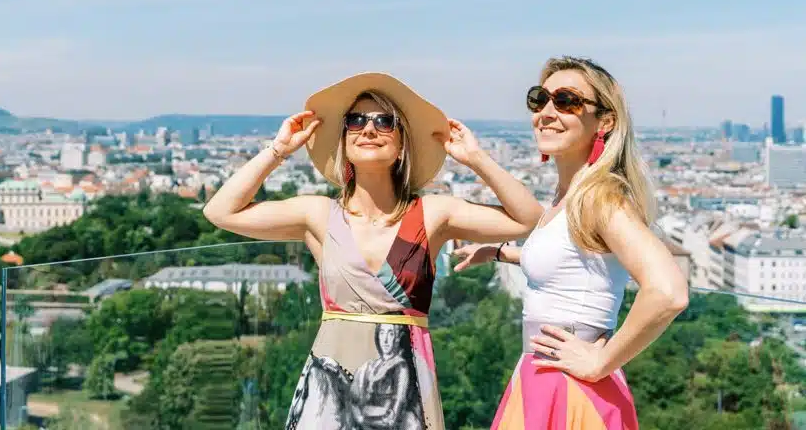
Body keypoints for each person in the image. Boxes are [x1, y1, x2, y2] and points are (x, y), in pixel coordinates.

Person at [203, 72, 540, 429]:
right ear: (344, 139)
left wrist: (476, 159)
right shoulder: (319, 214)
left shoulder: (432, 213)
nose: (368, 128)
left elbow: (527, 219)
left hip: (403, 389)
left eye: (385, 121)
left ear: (402, 144)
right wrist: (278, 151)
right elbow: (219, 211)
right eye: (356, 120)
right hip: (330, 389)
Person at [452, 56, 689, 429]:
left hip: (571, 385)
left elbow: (669, 290)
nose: (547, 111)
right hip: (544, 375)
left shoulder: (599, 197)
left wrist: (601, 361)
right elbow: (576, 263)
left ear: (605, 121)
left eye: (567, 101)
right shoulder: (569, 196)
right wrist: (501, 252)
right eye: (539, 99)